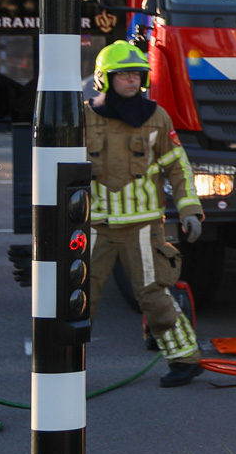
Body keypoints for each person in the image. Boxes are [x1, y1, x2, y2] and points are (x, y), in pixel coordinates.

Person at [82, 41, 208, 388]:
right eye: (123, 75)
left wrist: (190, 210)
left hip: (143, 226)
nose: (132, 81)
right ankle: (65, 366)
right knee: (79, 295)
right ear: (103, 79)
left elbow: (178, 168)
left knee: (153, 294)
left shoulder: (157, 117)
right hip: (96, 226)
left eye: (137, 75)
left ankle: (185, 359)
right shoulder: (84, 117)